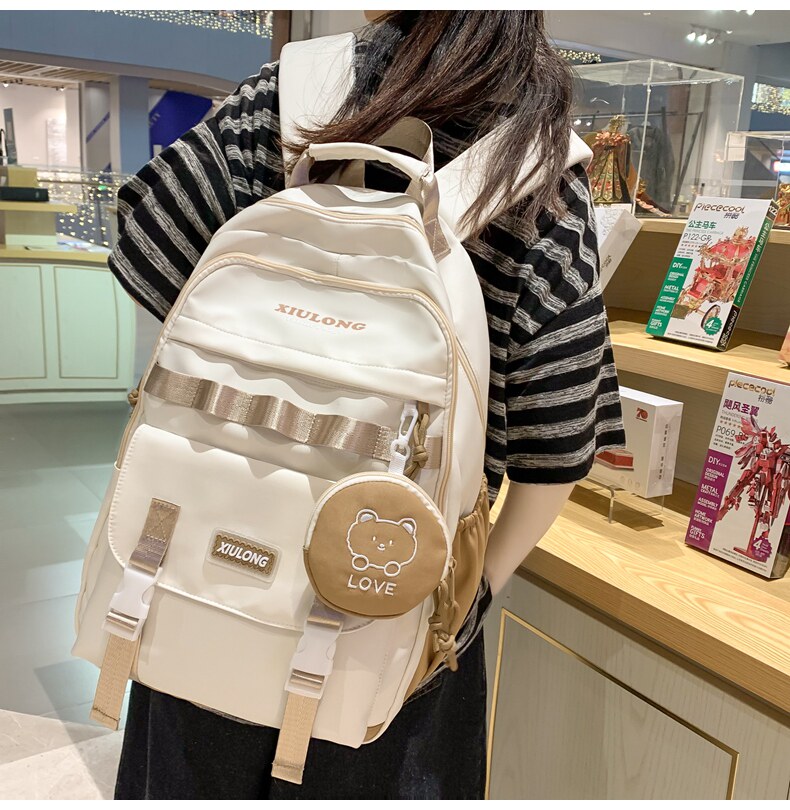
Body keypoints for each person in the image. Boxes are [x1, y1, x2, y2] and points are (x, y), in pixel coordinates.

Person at [107, 10, 625, 800]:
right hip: (387, 604)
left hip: (196, 570)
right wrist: (470, 594)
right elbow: (555, 451)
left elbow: (146, 235)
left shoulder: (293, 94)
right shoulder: (537, 168)